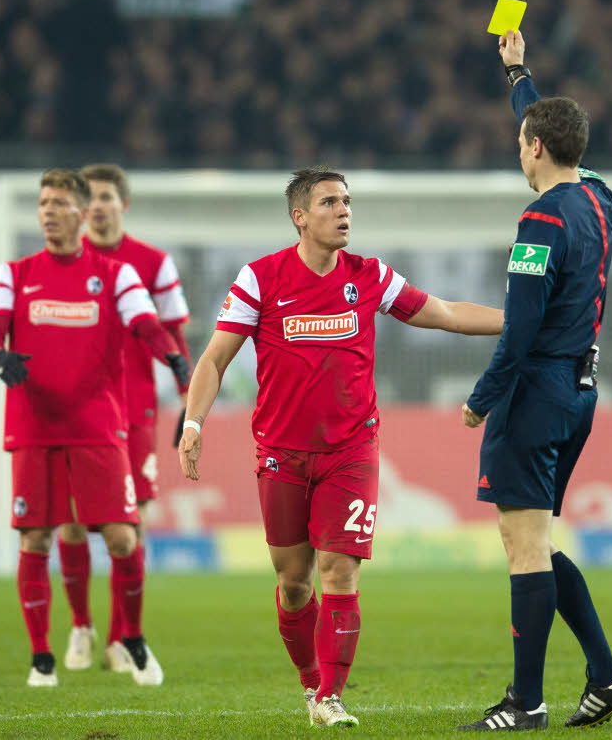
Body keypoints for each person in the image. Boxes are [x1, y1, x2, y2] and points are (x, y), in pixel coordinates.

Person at [178, 166, 505, 728]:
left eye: (348, 201)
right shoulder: (260, 279)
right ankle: (310, 686)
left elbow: (446, 314)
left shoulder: (369, 275)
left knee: (339, 573)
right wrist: (193, 423)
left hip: (351, 450)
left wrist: (526, 324)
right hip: (281, 452)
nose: (344, 210)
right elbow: (214, 359)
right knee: (294, 582)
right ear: (300, 216)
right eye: (330, 201)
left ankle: (330, 696)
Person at [456, 31, 612, 731]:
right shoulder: (601, 199)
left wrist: (481, 398)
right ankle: (606, 676)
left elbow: (519, 331)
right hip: (582, 391)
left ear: (532, 147)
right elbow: (552, 132)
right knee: (537, 537)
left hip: (537, 392)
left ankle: (524, 703)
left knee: (522, 544)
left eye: (523, 138)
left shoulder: (538, 222)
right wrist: (518, 75)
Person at [0, 169, 189, 687]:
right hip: (34, 422)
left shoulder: (116, 274)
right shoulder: (14, 272)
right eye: (42, 203)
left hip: (98, 424)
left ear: (80, 213)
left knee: (122, 535)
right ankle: (43, 656)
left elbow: (146, 324)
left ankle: (132, 639)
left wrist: (177, 363)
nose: (47, 211)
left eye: (57, 203)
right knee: (37, 537)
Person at [55, 163, 192, 675]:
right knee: (70, 519)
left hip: (134, 411)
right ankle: (80, 626)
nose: (100, 204)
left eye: (108, 195)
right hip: (75, 411)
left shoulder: (153, 262)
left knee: (130, 525)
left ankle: (119, 638)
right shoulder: (64, 262)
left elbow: (175, 336)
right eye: (91, 197)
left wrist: (188, 400)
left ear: (123, 204)